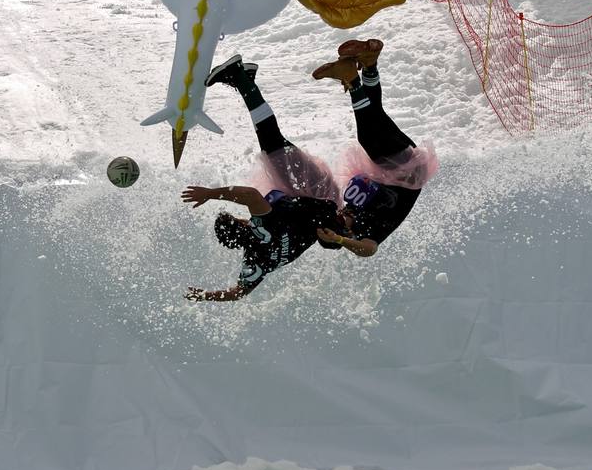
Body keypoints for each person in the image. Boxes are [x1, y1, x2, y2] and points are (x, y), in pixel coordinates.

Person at [182, 56, 342, 300]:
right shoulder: (260, 227)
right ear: (242, 224)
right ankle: (237, 75)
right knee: (272, 143)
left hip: (312, 202)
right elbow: (249, 195)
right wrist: (209, 194)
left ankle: (247, 82)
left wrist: (206, 296)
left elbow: (238, 294)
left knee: (271, 147)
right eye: (239, 217)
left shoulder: (258, 261)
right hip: (319, 193)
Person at [309, 40, 437, 257]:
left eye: (336, 215)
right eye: (339, 220)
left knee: (375, 114)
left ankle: (369, 63)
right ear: (346, 231)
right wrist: (341, 240)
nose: (340, 213)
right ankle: (351, 79)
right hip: (409, 172)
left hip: (394, 165)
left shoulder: (349, 205)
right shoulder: (366, 230)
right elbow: (369, 250)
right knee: (368, 137)